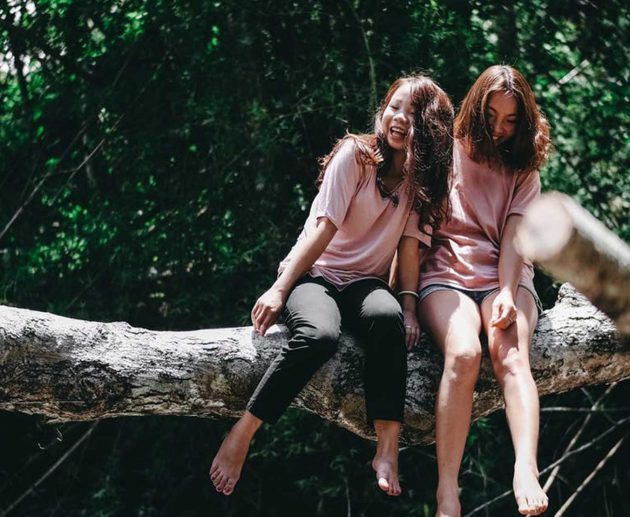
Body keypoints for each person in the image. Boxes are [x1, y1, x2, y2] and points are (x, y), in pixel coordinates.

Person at [209, 74, 454, 497]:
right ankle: (243, 431)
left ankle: (387, 449)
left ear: (430, 128)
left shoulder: (419, 183)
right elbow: (322, 231)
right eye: (394, 107)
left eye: (413, 115)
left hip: (365, 284)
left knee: (388, 318)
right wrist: (280, 289)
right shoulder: (355, 156)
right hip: (315, 275)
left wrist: (411, 308)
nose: (399, 118)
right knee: (319, 335)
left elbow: (409, 250)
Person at [414, 65, 551, 516]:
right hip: (446, 273)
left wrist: (508, 293)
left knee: (509, 354)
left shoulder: (523, 168)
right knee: (464, 353)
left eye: (510, 120)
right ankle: (447, 490)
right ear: (475, 107)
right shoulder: (444, 151)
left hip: (504, 274)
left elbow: (514, 240)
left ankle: (526, 468)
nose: (498, 128)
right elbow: (415, 231)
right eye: (491, 116)